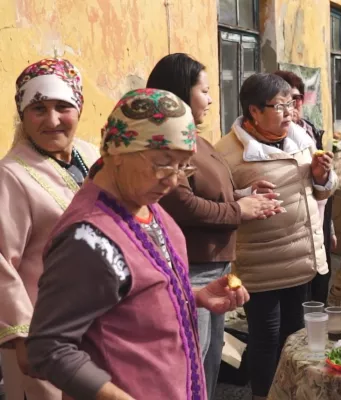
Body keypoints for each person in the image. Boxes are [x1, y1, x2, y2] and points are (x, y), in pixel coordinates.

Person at [26, 89, 249, 400]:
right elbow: (46, 347)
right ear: (118, 151)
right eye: (163, 163)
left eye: (183, 166)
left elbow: (127, 295)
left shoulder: (142, 201)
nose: (172, 181)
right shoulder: (88, 240)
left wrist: (193, 295)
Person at [147, 54, 283, 399]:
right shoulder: (165, 143)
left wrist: (242, 193)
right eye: (204, 91)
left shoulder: (198, 138)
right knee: (193, 366)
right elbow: (181, 204)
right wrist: (239, 209)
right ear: (180, 92)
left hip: (215, 267)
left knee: (209, 361)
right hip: (193, 268)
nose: (210, 99)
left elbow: (210, 191)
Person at [215, 73, 337, 399]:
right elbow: (218, 202)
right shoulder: (227, 152)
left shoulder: (300, 138)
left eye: (291, 105)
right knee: (265, 337)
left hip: (300, 255)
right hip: (260, 263)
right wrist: (243, 195)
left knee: (294, 334)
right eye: (280, 106)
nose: (289, 113)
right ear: (254, 111)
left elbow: (321, 192)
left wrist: (323, 176)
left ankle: (293, 393)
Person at [0, 58, 99, 400]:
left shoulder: (90, 155)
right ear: (23, 114)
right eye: (38, 108)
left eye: (63, 107)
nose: (53, 120)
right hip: (44, 334)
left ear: (79, 107)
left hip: (96, 323)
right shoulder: (11, 175)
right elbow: (2, 262)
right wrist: (22, 336)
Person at [273, 70, 337, 304]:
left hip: (318, 225)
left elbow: (323, 186)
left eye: (298, 98)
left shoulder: (310, 131)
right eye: (288, 100)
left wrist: (328, 227)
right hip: (292, 238)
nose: (295, 105)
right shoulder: (269, 140)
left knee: (319, 295)